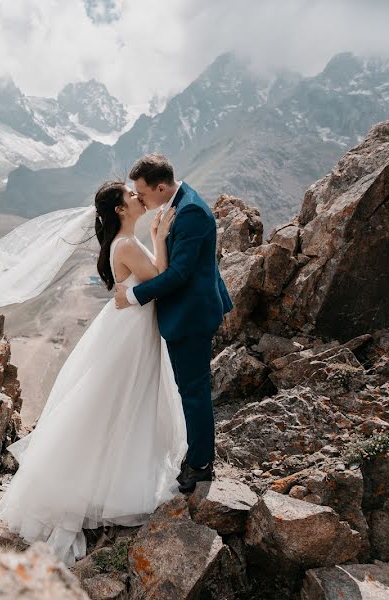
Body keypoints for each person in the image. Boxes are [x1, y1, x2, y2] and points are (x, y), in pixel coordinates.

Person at [0, 179, 187, 565]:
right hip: (131, 332)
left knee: (114, 403)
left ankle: (106, 479)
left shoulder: (122, 243)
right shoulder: (128, 244)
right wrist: (160, 235)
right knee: (122, 402)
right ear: (119, 209)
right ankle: (107, 485)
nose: (138, 196)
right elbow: (162, 279)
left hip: (128, 325)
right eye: (131, 195)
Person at [114, 153, 234, 493]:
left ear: (161, 187)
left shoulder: (191, 211)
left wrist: (134, 297)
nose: (138, 199)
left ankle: (200, 465)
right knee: (190, 389)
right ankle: (198, 454)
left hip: (191, 314)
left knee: (194, 392)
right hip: (188, 309)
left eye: (142, 193)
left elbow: (180, 274)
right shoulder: (175, 203)